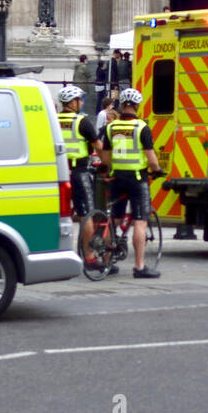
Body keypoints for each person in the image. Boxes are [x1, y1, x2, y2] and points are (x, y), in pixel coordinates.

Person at [104, 88, 164, 278]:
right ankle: (139, 266)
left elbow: (105, 158)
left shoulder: (110, 127)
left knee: (113, 219)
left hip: (116, 179)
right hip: (137, 180)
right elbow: (152, 160)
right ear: (137, 106)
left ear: (122, 105)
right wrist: (157, 170)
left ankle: (106, 262)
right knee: (140, 221)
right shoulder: (141, 127)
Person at [56, 86, 112, 273]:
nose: (82, 103)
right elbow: (98, 146)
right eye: (80, 100)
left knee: (59, 215)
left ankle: (58, 253)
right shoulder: (82, 121)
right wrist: (106, 165)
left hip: (57, 173)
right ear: (73, 102)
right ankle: (89, 256)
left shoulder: (52, 120)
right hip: (79, 172)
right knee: (85, 213)